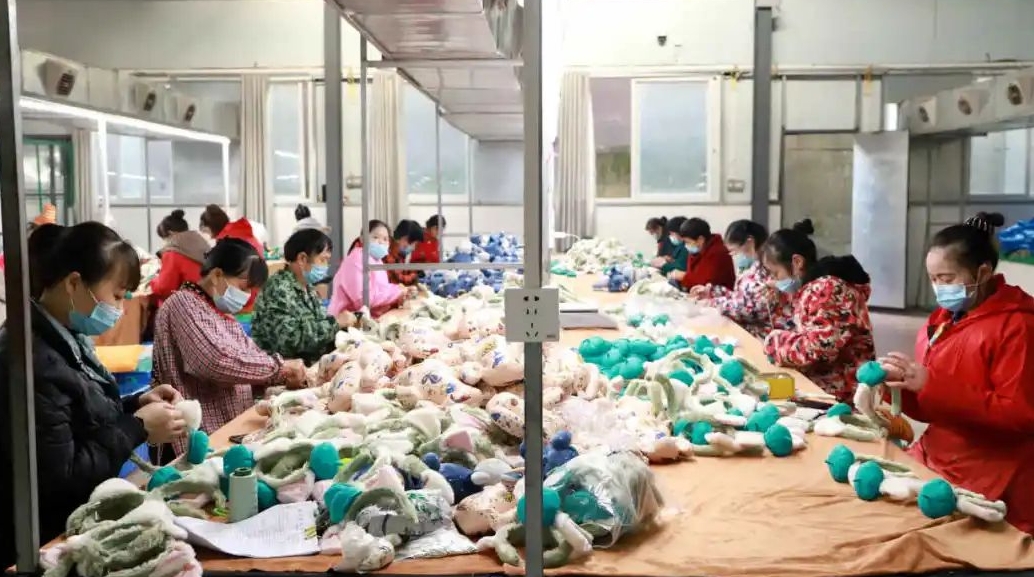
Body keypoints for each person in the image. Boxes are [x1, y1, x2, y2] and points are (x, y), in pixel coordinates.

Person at [0, 222, 187, 568]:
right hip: (47, 540)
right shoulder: (31, 359)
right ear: (73, 283)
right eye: (116, 295)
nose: (120, 309)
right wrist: (137, 427)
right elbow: (63, 476)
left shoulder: (65, 338)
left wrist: (136, 403)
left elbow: (79, 416)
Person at [877, 212, 1034, 533]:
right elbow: (933, 409)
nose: (938, 288)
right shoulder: (940, 322)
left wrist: (931, 385)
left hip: (993, 475)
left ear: (983, 272)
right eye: (933, 279)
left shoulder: (1018, 326)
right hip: (939, 457)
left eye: (946, 279)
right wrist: (899, 387)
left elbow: (1019, 415)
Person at [153, 238, 306, 452]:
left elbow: (251, 361)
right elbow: (215, 362)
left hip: (230, 429)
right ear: (217, 275)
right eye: (243, 287)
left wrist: (286, 380)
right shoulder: (183, 304)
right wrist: (281, 369)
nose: (247, 296)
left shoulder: (223, 316)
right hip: (199, 440)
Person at [762, 219, 874, 402]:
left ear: (797, 262)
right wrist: (781, 301)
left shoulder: (826, 289)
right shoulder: (810, 289)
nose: (773, 280)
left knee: (770, 400)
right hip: (825, 382)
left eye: (776, 274)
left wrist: (775, 343)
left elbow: (820, 348)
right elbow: (805, 327)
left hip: (840, 392)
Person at [252, 229, 355, 365]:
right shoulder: (278, 289)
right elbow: (290, 340)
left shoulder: (307, 288)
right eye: (322, 260)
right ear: (302, 259)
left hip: (311, 363)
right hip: (286, 369)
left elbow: (319, 326)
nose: (326, 266)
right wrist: (335, 324)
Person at [691, 220, 794, 339]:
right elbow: (741, 297)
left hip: (768, 335)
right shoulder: (751, 267)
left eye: (735, 251)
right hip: (751, 331)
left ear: (750, 242)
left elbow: (755, 309)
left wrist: (715, 303)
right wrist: (712, 292)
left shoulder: (769, 268)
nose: (734, 256)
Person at [329, 220, 411, 318]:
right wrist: (396, 292)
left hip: (367, 318)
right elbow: (363, 300)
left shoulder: (376, 260)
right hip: (346, 320)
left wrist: (399, 290)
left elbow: (380, 289)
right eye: (375, 237)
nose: (381, 242)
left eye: (385, 239)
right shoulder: (356, 260)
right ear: (362, 239)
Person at [199, 204, 264, 311]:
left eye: (205, 232)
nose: (207, 236)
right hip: (254, 297)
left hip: (242, 299)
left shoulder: (228, 242)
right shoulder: (242, 232)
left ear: (210, 228)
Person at [149, 209, 209, 308]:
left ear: (171, 234)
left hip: (189, 308)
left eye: (164, 239)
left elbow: (165, 289)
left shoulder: (173, 252)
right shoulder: (203, 245)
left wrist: (153, 281)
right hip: (209, 306)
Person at [668, 217, 736, 292]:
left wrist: (684, 277)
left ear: (700, 239)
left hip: (719, 296)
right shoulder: (697, 250)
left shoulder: (718, 253)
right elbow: (692, 274)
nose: (686, 245)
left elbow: (707, 283)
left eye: (688, 242)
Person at [388, 220, 425, 286]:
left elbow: (404, 272)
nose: (413, 248)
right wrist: (415, 276)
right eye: (413, 244)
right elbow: (398, 279)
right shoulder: (389, 255)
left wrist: (414, 271)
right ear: (405, 238)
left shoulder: (400, 255)